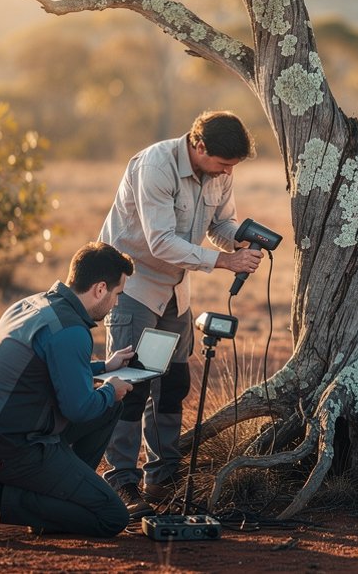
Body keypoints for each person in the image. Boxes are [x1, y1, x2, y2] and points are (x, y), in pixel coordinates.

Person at [97, 110, 262, 517]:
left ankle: (162, 476)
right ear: (198, 145)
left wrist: (240, 240)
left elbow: (221, 224)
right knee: (131, 384)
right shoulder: (156, 166)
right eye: (223, 164)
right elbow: (160, 242)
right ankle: (121, 481)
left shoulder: (219, 172)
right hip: (133, 287)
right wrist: (225, 262)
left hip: (176, 291)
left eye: (232, 166)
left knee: (171, 384)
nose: (228, 172)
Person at [0, 241, 138, 541]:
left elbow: (50, 369)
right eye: (117, 294)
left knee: (110, 407)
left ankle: (55, 504)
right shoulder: (71, 331)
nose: (116, 304)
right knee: (112, 517)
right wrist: (109, 390)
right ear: (100, 289)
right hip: (10, 449)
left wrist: (105, 367)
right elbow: (79, 409)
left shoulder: (35, 305)